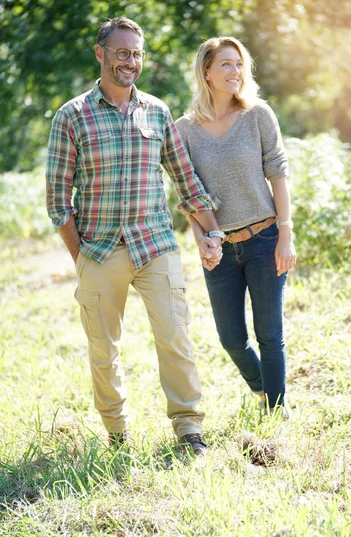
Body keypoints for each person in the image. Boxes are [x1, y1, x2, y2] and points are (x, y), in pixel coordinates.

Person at [46, 17, 223, 455]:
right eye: (122, 52)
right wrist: (81, 257)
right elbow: (57, 197)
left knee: (175, 335)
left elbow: (186, 180)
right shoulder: (72, 115)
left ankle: (189, 429)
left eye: (137, 53)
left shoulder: (157, 111)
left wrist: (210, 230)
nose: (131, 61)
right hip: (100, 248)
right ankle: (117, 432)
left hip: (155, 243)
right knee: (104, 350)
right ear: (100, 54)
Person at [175, 37, 296, 416]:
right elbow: (188, 197)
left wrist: (287, 234)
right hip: (221, 248)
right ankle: (263, 390)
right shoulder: (184, 130)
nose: (235, 71)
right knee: (230, 338)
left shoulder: (257, 114)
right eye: (225, 64)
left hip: (265, 238)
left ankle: (276, 411)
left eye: (239, 64)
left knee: (270, 334)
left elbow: (278, 175)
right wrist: (200, 242)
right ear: (206, 72)